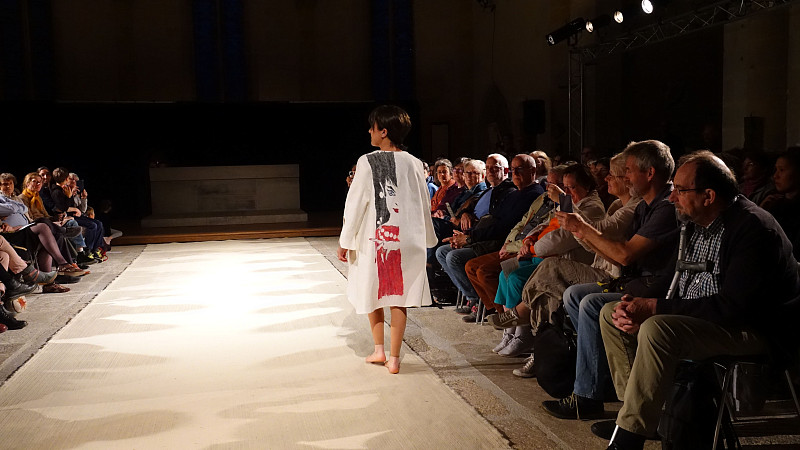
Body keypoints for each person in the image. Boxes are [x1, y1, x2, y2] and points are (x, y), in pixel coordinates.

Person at [599, 151, 800, 450]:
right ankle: (644, 416)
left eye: (680, 190)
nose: (672, 198)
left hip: (753, 329)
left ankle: (628, 438)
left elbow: (733, 308)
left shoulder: (754, 229)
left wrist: (654, 308)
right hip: (704, 318)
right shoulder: (695, 222)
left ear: (708, 196)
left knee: (657, 329)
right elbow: (671, 279)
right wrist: (636, 301)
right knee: (611, 312)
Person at [528, 140, 678, 420]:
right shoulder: (645, 206)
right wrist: (580, 230)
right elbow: (614, 253)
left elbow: (625, 255)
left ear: (649, 173)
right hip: (635, 279)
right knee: (574, 295)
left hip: (654, 287)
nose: (623, 178)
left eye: (627, 171)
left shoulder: (664, 207)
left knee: (590, 303)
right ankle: (597, 375)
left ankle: (587, 395)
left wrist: (581, 227)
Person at [337, 105, 436, 375]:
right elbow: (423, 202)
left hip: (375, 238)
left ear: (384, 131)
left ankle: (379, 349)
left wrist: (346, 240)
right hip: (407, 239)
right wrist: (427, 238)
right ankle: (393, 358)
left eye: (373, 127)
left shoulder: (367, 161)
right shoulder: (415, 163)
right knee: (398, 297)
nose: (369, 131)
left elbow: (355, 204)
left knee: (373, 291)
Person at [760, 149, 799, 259]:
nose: (776, 176)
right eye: (775, 170)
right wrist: (761, 211)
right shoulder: (773, 202)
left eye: (782, 170)